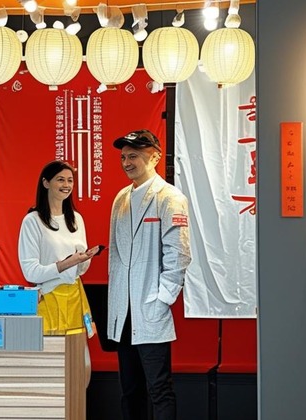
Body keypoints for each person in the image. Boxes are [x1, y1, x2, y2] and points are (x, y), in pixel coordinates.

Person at [107, 129, 192, 420]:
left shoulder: (169, 197)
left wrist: (162, 299)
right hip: (124, 311)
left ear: (154, 156)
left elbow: (179, 254)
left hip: (150, 306)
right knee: (129, 388)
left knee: (159, 387)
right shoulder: (121, 198)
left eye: (134, 156)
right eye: (123, 156)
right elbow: (116, 255)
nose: (127, 162)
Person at [17, 160, 100, 385]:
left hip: (74, 297)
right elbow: (31, 272)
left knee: (81, 365)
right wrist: (66, 263)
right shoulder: (32, 221)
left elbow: (79, 269)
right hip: (47, 300)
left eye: (70, 180)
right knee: (50, 366)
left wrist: (83, 260)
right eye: (60, 179)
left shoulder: (76, 218)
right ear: (46, 183)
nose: (66, 185)